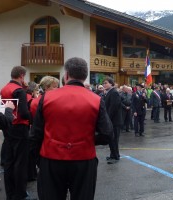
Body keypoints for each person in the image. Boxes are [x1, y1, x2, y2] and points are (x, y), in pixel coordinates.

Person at [30, 57, 112, 200]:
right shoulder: (96, 99)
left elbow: (35, 134)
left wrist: (40, 160)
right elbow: (107, 134)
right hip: (84, 160)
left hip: (51, 158)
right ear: (85, 76)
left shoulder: (47, 98)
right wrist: (87, 140)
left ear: (66, 75)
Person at [0, 66, 32, 200]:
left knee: (9, 161)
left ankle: (11, 193)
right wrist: (34, 118)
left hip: (8, 126)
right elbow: (24, 113)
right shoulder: (19, 91)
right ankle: (20, 194)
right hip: (20, 128)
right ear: (22, 75)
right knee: (20, 163)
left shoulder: (4, 88)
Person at [28, 76, 59, 182]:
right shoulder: (38, 102)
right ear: (46, 87)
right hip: (46, 138)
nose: (57, 89)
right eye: (54, 87)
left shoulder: (37, 100)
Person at [103, 77, 123, 164]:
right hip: (112, 120)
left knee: (114, 139)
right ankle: (113, 155)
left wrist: (107, 118)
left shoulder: (114, 92)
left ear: (111, 83)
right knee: (111, 139)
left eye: (106, 83)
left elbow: (113, 107)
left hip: (114, 121)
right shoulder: (109, 92)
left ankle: (115, 156)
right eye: (103, 83)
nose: (104, 85)